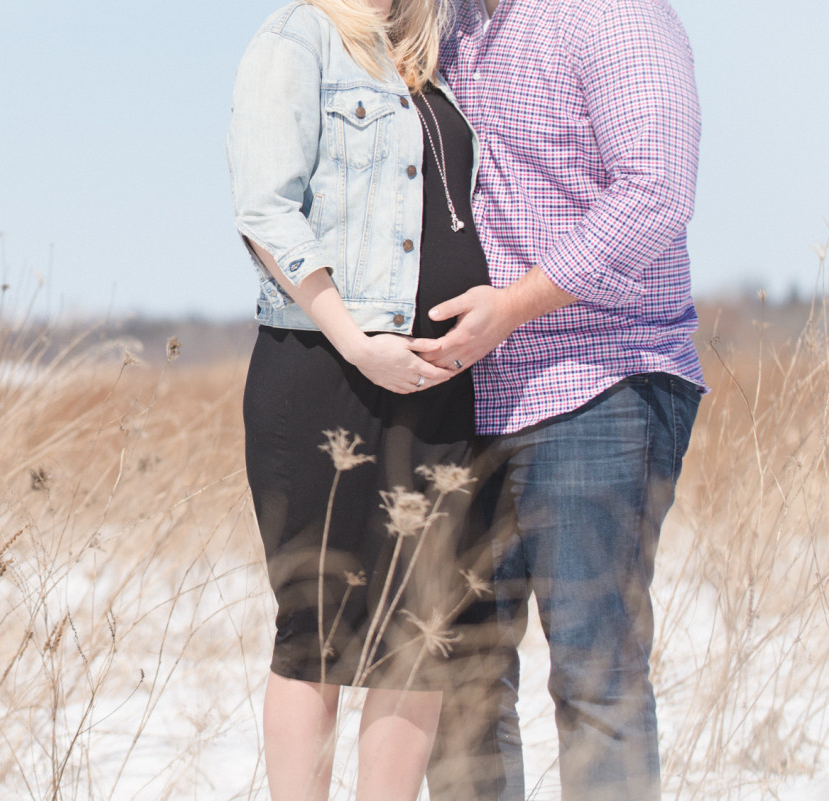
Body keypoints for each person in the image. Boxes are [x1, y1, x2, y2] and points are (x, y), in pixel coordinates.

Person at [411, 1, 705, 800]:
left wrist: (511, 306)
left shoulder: (612, 14)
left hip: (600, 379)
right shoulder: (449, 23)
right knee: (458, 676)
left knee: (592, 672)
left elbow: (655, 193)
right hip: (466, 397)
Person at [226, 0, 489, 798]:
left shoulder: (431, 53)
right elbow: (266, 211)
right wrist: (355, 340)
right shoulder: (294, 39)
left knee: (420, 630)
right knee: (318, 628)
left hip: (437, 387)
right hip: (323, 373)